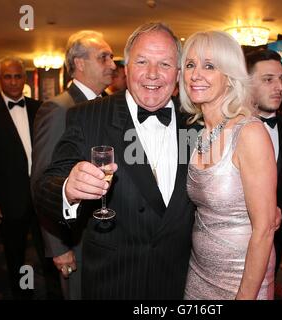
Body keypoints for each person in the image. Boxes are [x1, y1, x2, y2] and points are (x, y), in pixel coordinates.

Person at [33, 22, 196, 299]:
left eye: (165, 64)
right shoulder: (88, 116)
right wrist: (67, 190)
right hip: (114, 281)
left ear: (178, 73)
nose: (153, 74)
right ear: (127, 67)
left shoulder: (196, 121)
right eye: (143, 61)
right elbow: (46, 183)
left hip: (178, 280)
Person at [180, 31, 277, 300]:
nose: (195, 74)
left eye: (209, 66)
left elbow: (265, 228)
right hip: (198, 273)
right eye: (190, 65)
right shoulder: (198, 134)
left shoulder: (249, 133)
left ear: (230, 75)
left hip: (241, 279)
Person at [31, 30, 115, 299]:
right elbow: (42, 182)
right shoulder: (59, 109)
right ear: (79, 63)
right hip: (75, 239)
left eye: (112, 58)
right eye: (104, 58)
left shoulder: (108, 105)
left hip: (106, 236)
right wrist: (58, 247)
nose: (113, 65)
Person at [246, 49, 282, 287]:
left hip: (279, 242)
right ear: (245, 84)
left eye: (281, 79)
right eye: (268, 80)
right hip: (236, 240)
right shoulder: (224, 132)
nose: (279, 87)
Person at [0, 57, 43, 299]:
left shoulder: (40, 107)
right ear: (0, 80)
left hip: (42, 195)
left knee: (50, 250)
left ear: (25, 78)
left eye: (18, 76)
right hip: (9, 198)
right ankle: (22, 295)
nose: (13, 82)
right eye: (7, 77)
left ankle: (55, 292)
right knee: (15, 253)